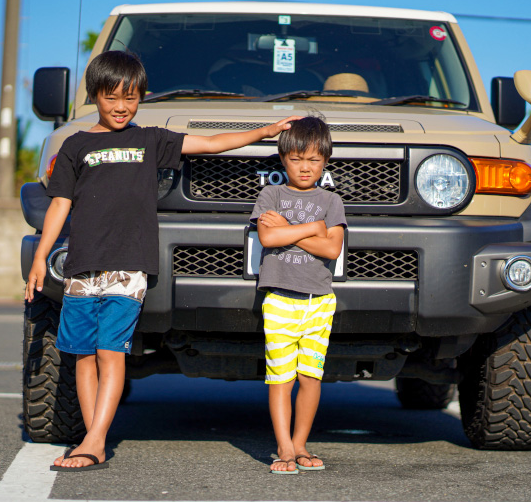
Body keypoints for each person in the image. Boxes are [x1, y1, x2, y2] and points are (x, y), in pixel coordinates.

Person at [25, 50, 301, 471]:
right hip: (82, 263)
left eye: (131, 97)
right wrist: (41, 257)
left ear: (141, 98)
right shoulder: (75, 145)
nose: (121, 107)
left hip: (129, 264)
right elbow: (59, 204)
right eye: (112, 97)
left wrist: (266, 130)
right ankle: (89, 433)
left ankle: (96, 439)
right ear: (94, 96)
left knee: (109, 351)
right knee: (82, 354)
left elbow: (210, 144)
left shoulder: (150, 139)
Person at [250, 116, 346, 474]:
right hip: (280, 301)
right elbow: (267, 239)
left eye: (314, 160)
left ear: (325, 161)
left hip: (319, 302)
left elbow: (332, 250)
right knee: (281, 378)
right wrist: (313, 230)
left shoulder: (331, 201)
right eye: (296, 159)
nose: (305, 168)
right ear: (282, 158)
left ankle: (302, 442)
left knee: (310, 378)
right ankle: (285, 449)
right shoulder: (271, 194)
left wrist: (289, 228)